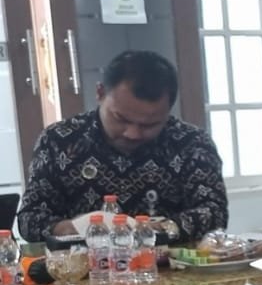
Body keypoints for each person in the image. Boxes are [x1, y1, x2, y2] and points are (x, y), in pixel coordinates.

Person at [17, 50, 227, 242]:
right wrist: (73, 228)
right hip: (82, 265)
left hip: (170, 264)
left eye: (149, 125)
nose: (132, 134)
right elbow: (30, 219)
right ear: (100, 93)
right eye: (121, 119)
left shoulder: (191, 143)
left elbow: (214, 212)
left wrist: (160, 229)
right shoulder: (59, 140)